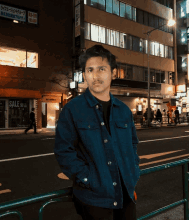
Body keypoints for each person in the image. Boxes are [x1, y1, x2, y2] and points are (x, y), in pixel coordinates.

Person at [54, 45, 140, 220]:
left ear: (113, 73)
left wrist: (132, 175)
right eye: (90, 70)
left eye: (102, 69)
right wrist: (87, 179)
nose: (96, 75)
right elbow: (64, 150)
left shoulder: (123, 110)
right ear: (84, 75)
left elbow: (133, 145)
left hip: (126, 195)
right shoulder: (72, 109)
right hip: (93, 199)